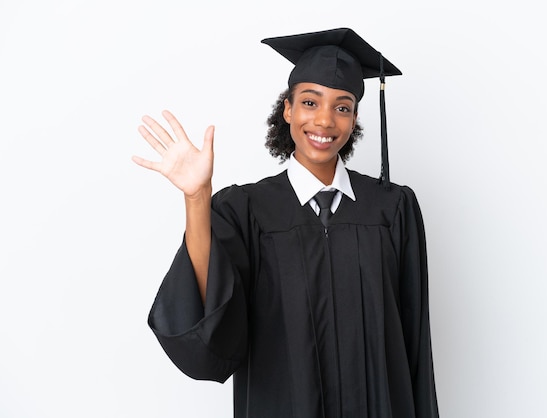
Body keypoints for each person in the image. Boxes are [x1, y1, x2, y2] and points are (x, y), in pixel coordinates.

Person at [133, 28, 439, 418]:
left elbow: (414, 342)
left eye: (342, 107)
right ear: (288, 109)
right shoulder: (246, 209)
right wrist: (197, 199)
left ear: (355, 118)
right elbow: (210, 308)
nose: (325, 120)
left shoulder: (392, 209)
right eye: (310, 102)